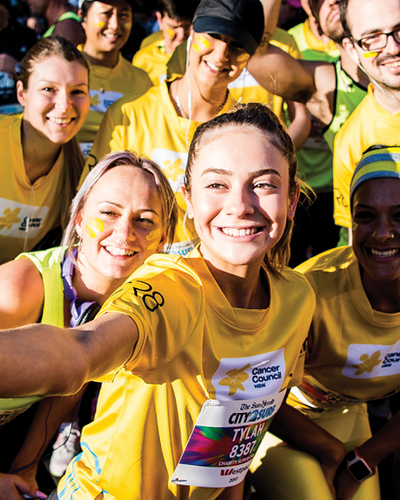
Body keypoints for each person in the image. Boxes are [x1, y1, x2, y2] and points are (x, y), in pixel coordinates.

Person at [0, 103, 315, 500]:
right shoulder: (169, 286)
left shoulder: (298, 298)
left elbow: (236, 438)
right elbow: (78, 352)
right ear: (189, 199)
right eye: (217, 184)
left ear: (291, 199)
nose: (240, 205)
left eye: (265, 184)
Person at [0, 150, 177, 500]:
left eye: (144, 221)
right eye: (108, 213)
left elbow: (65, 390)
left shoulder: (132, 300)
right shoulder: (17, 290)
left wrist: (23, 470)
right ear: (79, 219)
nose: (124, 233)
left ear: (163, 238)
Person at [250, 144, 400, 500]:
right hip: (277, 420)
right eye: (365, 216)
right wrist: (332, 452)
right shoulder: (310, 290)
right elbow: (256, 398)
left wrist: (364, 459)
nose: (382, 234)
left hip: (349, 418)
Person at [80, 0, 266, 257]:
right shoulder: (128, 114)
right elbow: (91, 205)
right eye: (213, 35)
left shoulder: (246, 132)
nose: (222, 54)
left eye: (237, 45)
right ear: (192, 33)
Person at [247, 0, 369, 248]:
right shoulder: (328, 85)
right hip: (361, 253)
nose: (333, 2)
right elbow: (256, 52)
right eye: (321, 1)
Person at [0, 36, 90, 266]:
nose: (64, 104)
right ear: (22, 94)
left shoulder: (82, 173)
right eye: (49, 89)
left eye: (77, 92)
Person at [332, 0, 400, 243]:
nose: (392, 47)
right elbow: (359, 240)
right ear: (351, 49)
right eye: (372, 38)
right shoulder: (351, 142)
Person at [77, 0, 152, 156]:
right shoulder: (62, 72)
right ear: (82, 17)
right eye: (106, 14)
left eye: (124, 15)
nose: (115, 24)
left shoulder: (141, 81)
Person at [132, 0, 199, 86]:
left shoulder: (205, 59)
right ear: (160, 20)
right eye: (174, 27)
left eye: (188, 27)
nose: (182, 35)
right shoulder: (144, 60)